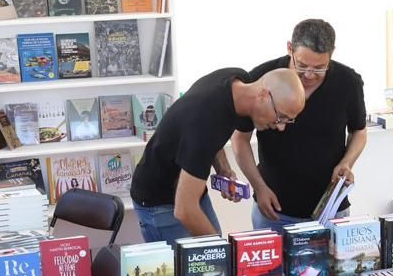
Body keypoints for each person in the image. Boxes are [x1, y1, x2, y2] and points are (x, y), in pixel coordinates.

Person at [130, 67, 305, 244]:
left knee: (214, 259)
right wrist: (222, 251)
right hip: (159, 202)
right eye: (281, 117)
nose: (281, 126)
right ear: (263, 96)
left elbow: (215, 134)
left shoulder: (236, 81)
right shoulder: (204, 122)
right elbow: (184, 210)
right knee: (206, 261)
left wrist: (223, 169)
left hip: (191, 194)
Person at [231, 19, 367, 234]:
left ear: (332, 54)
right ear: (289, 49)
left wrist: (347, 163)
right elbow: (240, 139)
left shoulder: (348, 82)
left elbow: (359, 131)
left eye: (320, 68)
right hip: (274, 210)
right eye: (302, 65)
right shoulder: (262, 77)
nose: (309, 75)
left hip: (330, 210)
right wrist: (259, 186)